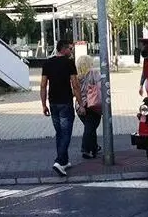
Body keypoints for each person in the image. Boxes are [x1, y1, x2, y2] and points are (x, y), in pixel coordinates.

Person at [41, 40, 85, 177]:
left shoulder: (47, 63)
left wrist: (43, 104)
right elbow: (75, 84)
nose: (71, 52)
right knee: (66, 133)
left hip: (53, 102)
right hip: (65, 102)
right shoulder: (69, 63)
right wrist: (81, 103)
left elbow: (43, 85)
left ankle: (64, 161)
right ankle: (59, 161)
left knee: (59, 133)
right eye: (70, 49)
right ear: (63, 49)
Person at [75, 55, 102, 159]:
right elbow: (101, 86)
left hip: (79, 105)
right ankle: (85, 149)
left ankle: (94, 147)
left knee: (90, 126)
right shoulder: (94, 73)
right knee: (91, 127)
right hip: (92, 104)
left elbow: (73, 91)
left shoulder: (75, 76)